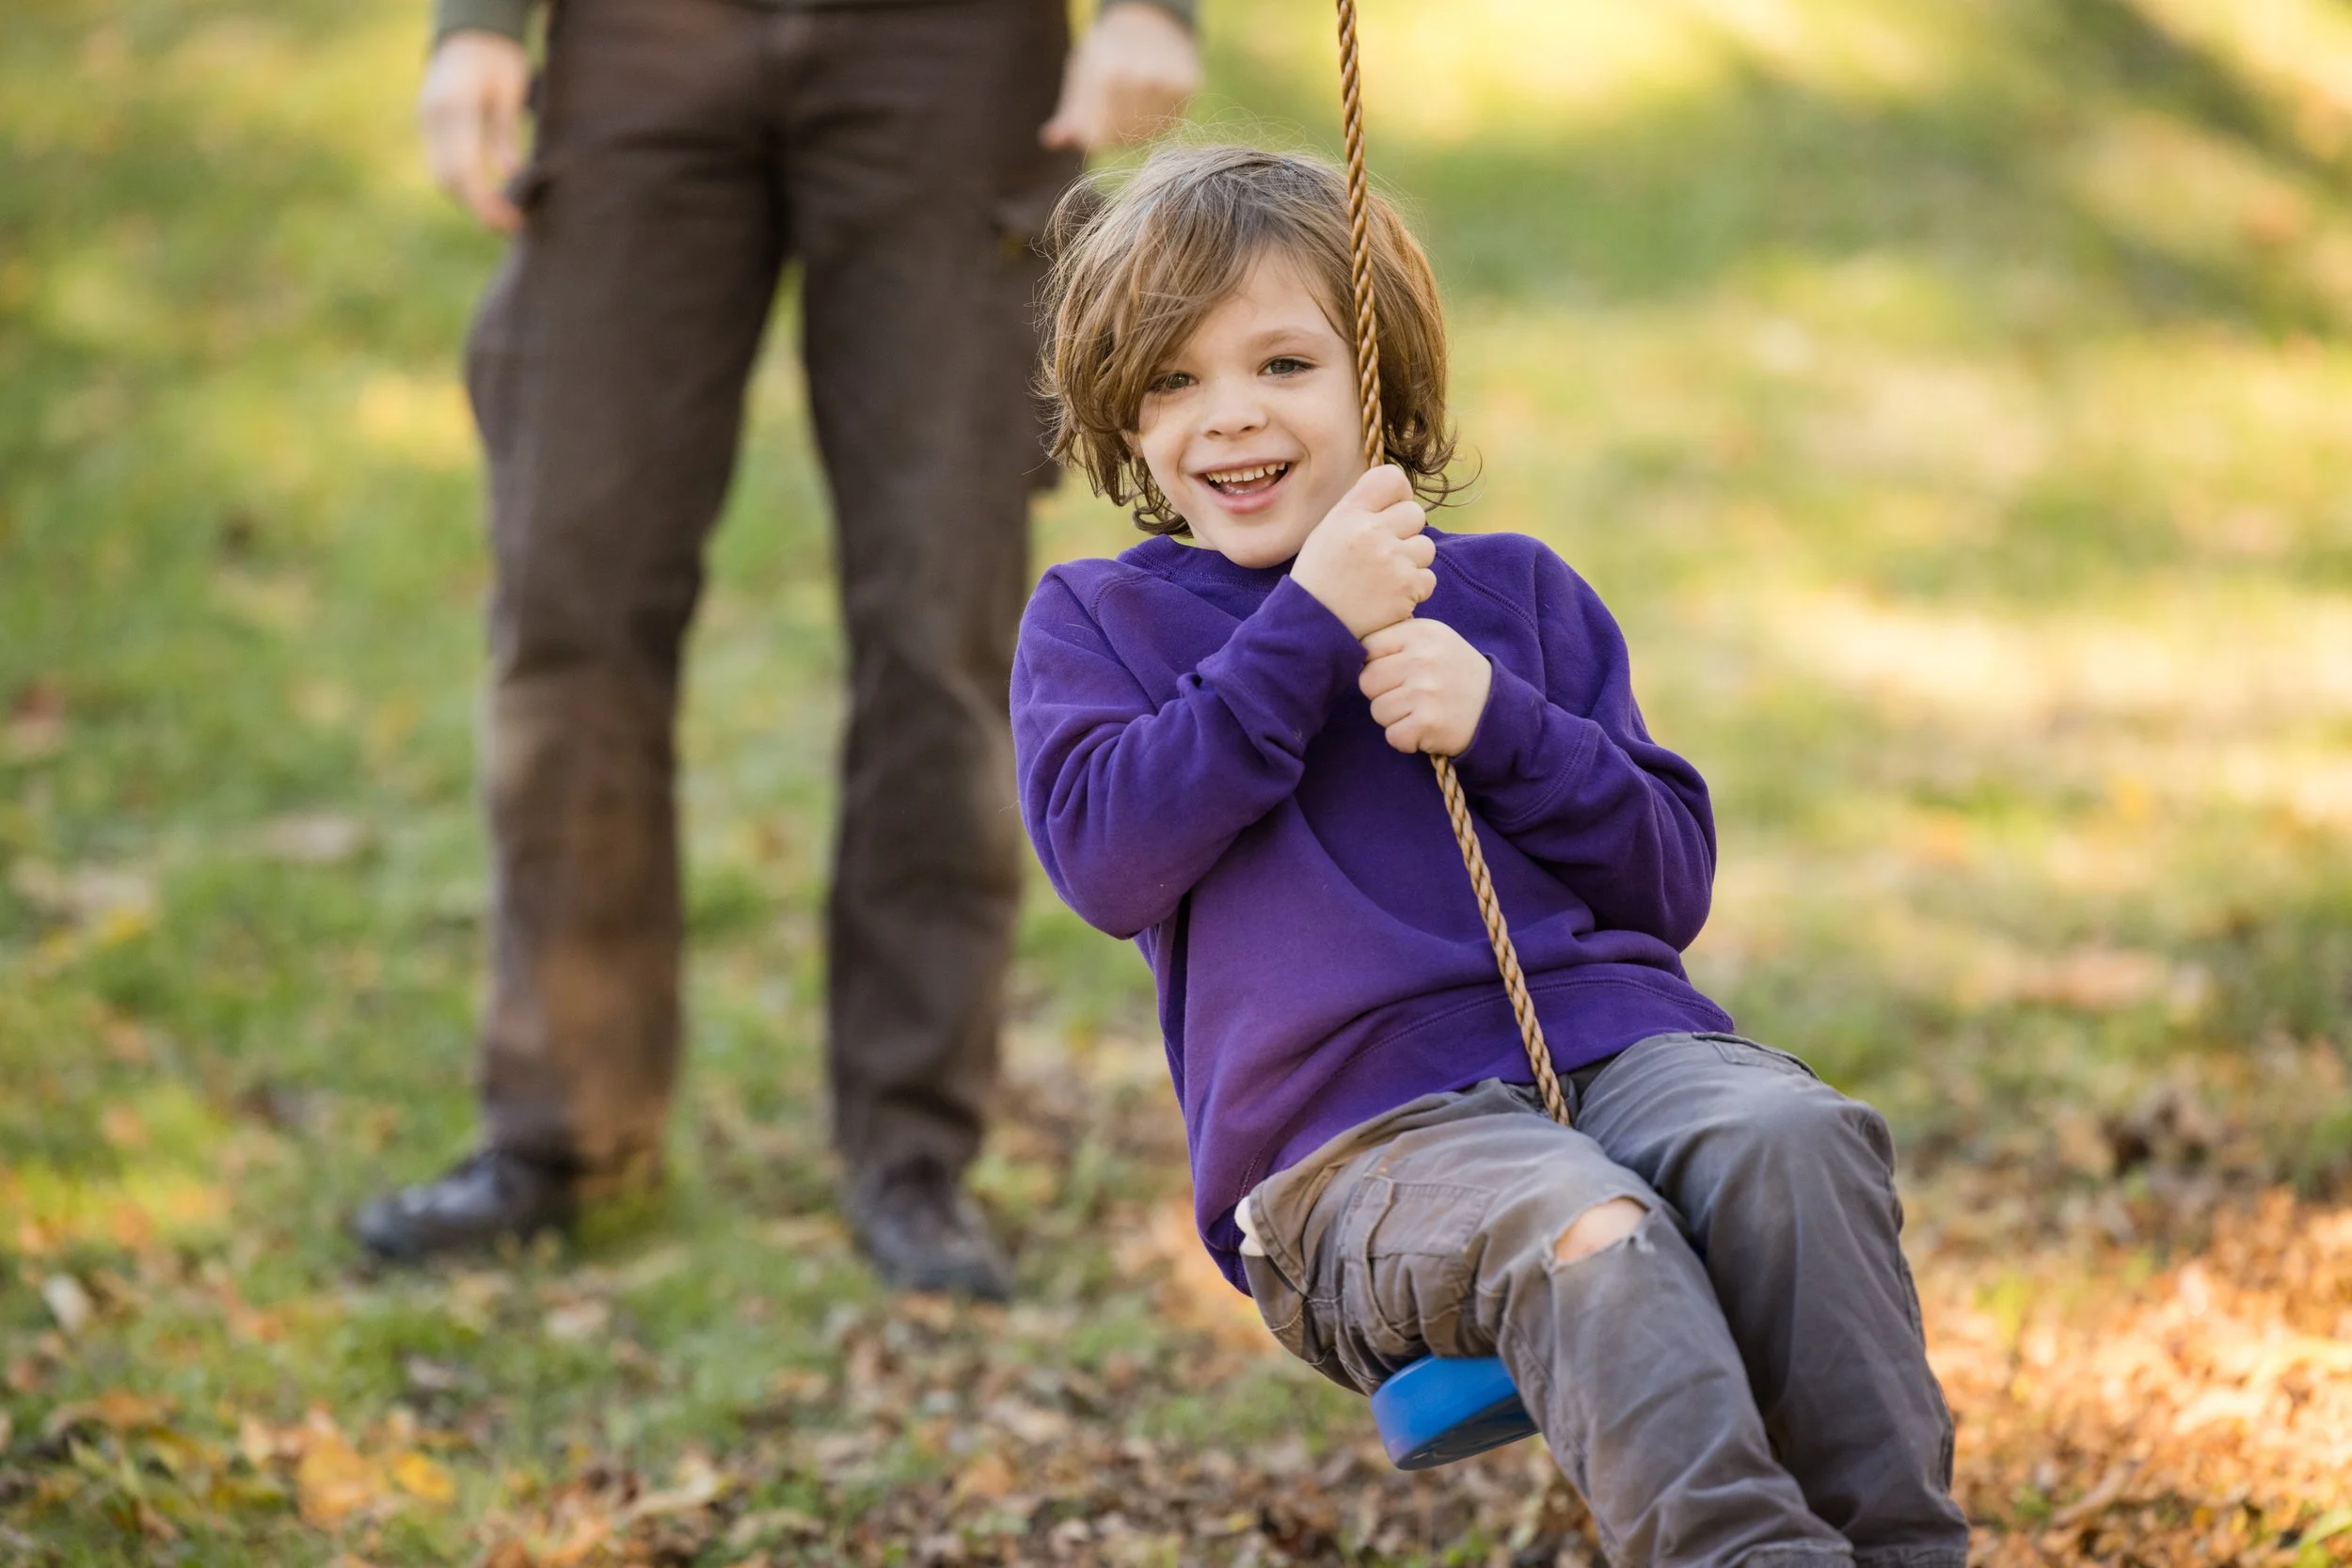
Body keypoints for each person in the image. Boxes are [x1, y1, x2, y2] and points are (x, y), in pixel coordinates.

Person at [1011, 145, 1970, 1566]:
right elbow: (1109, 856)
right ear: (1125, 418)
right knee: (1585, 1222)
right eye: (1173, 380)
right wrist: (1305, 632)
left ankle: (1903, 1548)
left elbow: (1666, 882)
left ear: (1377, 377)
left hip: (1623, 1056)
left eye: (1282, 364)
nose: (1228, 417)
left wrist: (1502, 721)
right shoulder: (1101, 621)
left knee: (1793, 1139)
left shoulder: (1510, 595)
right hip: (1354, 1152)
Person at [354, 0, 1200, 1301]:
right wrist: (475, 21)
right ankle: (563, 1134)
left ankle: (914, 1147)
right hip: (641, 45)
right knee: (573, 598)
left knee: (938, 626)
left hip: (954, 54)